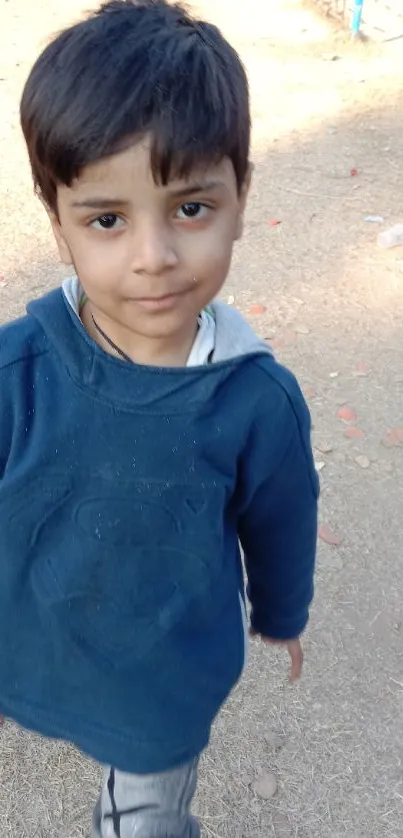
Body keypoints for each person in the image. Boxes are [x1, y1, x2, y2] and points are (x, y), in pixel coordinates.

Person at [0, 1, 319, 835]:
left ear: (240, 197)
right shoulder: (15, 371)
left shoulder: (255, 401)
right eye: (107, 219)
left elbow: (280, 520)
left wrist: (282, 614)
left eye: (189, 208)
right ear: (60, 225)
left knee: (144, 824)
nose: (153, 256)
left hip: (160, 686)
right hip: (21, 643)